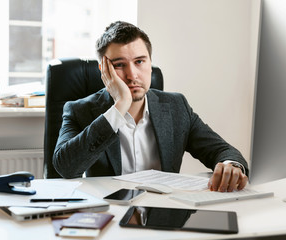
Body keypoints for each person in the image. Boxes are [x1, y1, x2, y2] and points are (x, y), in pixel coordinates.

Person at [53, 21, 249, 192]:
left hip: (162, 217)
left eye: (139, 61)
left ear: (150, 63)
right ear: (104, 70)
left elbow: (223, 151)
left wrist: (231, 165)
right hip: (110, 217)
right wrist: (120, 106)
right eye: (120, 65)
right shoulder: (79, 110)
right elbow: (66, 168)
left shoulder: (176, 107)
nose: (132, 75)